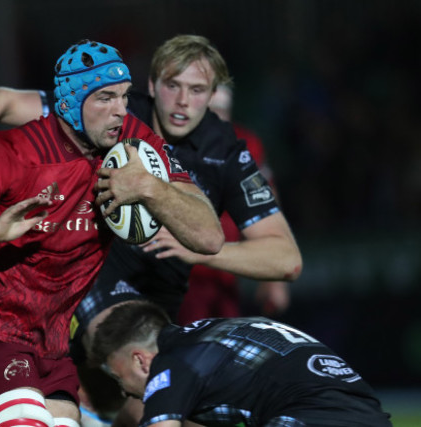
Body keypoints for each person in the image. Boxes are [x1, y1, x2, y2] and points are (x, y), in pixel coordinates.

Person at [0, 39, 223, 427]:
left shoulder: (134, 142)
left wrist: (150, 187)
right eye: (105, 98)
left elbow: (209, 237)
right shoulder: (15, 152)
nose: (121, 109)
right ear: (70, 101)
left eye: (122, 96)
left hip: (51, 347)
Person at [66, 34, 302, 425]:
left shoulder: (227, 151)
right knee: (143, 376)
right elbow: (24, 105)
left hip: (164, 304)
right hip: (93, 281)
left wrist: (205, 250)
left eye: (196, 90)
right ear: (152, 84)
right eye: (173, 86)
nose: (182, 101)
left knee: (165, 410)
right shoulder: (119, 114)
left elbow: (287, 260)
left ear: (212, 95)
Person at [90, 300, 393, 427]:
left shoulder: (169, 364)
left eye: (119, 380)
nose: (129, 394)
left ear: (141, 360)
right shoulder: (218, 333)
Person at [177, 83, 290, 325]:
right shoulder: (175, 141)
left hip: (226, 271)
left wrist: (273, 278)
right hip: (178, 272)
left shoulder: (245, 144)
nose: (216, 118)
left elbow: (266, 206)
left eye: (221, 110)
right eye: (210, 109)